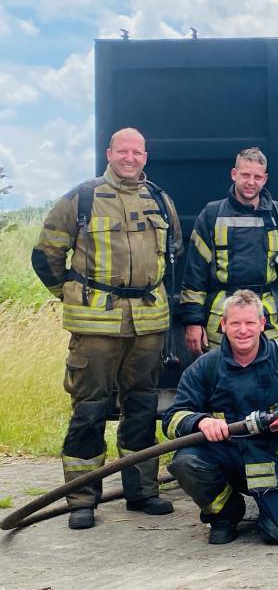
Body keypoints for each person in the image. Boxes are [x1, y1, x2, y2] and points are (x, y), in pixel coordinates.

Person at [31, 127, 181, 530]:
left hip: (148, 323)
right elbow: (45, 255)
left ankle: (142, 491)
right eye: (123, 151)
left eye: (137, 152)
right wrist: (73, 294)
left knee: (142, 408)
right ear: (109, 152)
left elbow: (173, 253)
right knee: (91, 409)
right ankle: (81, 499)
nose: (130, 158)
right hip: (95, 325)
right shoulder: (82, 197)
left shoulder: (160, 201)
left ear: (145, 157)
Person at [163, 290, 278, 544]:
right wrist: (201, 421)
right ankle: (225, 514)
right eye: (235, 323)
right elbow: (172, 418)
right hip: (228, 455)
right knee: (186, 462)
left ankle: (277, 507)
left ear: (262, 324)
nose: (243, 330)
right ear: (222, 325)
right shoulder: (205, 366)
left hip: (274, 455)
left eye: (250, 323)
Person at [180, 147, 278, 354]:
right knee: (220, 375)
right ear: (234, 174)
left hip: (272, 317)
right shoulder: (211, 215)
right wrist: (192, 321)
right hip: (224, 315)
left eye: (257, 176)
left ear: (265, 179)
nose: (251, 182)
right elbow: (194, 275)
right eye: (245, 175)